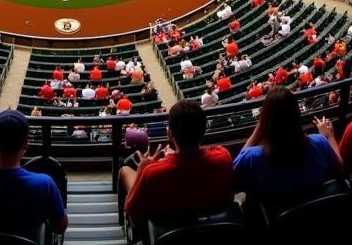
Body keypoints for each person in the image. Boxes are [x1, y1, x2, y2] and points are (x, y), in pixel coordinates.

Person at [120, 99, 233, 232]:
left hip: (165, 233)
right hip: (215, 229)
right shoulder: (223, 156)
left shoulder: (152, 173)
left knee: (125, 170)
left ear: (169, 134)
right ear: (204, 130)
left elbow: (133, 214)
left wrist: (142, 169)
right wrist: (173, 158)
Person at [232, 87, 340, 200]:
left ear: (265, 121)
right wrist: (330, 136)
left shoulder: (251, 157)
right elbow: (339, 169)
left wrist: (260, 127)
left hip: (272, 216)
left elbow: (233, 178)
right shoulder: (320, 142)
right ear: (297, 114)